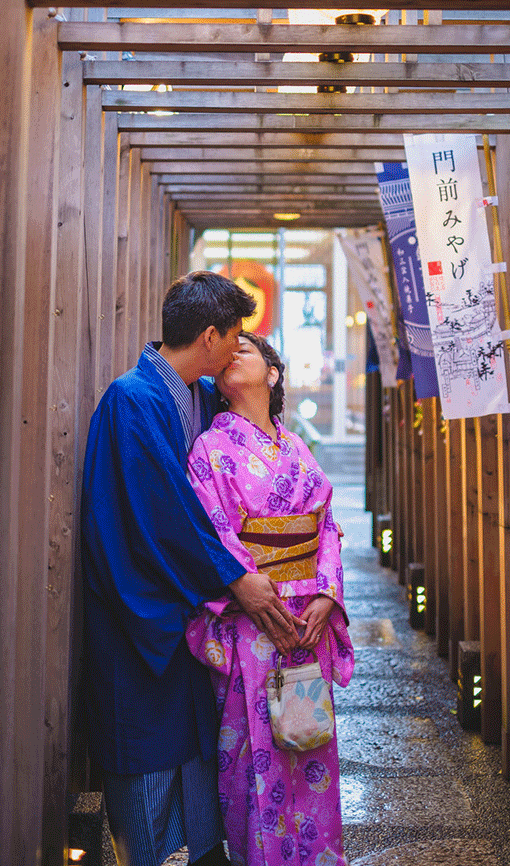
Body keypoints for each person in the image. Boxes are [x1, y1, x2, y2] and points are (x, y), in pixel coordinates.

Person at [81, 272, 306, 866]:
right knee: (149, 794)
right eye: (234, 335)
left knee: (204, 790)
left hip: (195, 612)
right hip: (148, 611)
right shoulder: (132, 400)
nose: (238, 347)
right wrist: (234, 577)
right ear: (209, 336)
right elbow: (163, 513)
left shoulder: (201, 398)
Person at [185, 333, 354, 866]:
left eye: (249, 349)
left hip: (308, 626)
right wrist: (252, 593)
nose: (234, 352)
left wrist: (326, 593)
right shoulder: (210, 448)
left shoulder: (297, 446)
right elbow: (212, 531)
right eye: (228, 349)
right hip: (251, 625)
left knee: (309, 745)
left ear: (273, 373)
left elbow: (327, 525)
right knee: (249, 758)